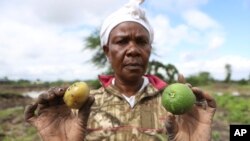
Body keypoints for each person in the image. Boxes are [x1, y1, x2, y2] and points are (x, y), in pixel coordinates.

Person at [24, 0, 216, 140]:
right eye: (122, 41)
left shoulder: (179, 109)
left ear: (150, 50)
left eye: (142, 41)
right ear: (107, 51)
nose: (133, 50)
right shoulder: (81, 107)